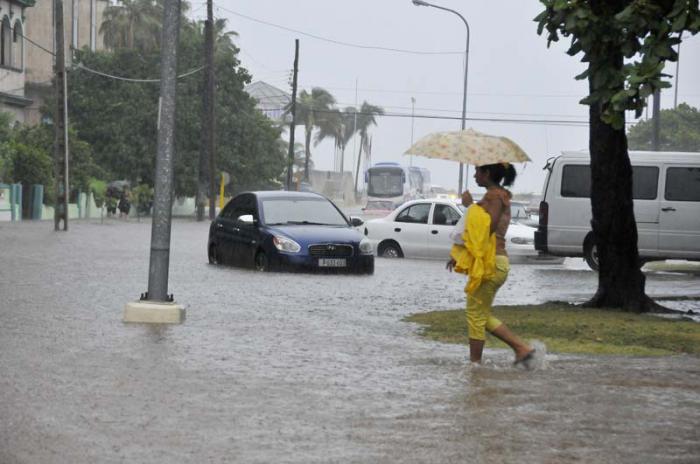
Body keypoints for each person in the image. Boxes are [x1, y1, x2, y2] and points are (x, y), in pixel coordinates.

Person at [447, 163, 535, 366]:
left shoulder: (494, 197)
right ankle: (520, 349)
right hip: (496, 261)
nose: (475, 175)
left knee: (475, 315)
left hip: (493, 263)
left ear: (487, 173)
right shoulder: (498, 195)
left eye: (477, 171)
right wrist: (462, 253)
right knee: (480, 314)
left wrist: (470, 206)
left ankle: (476, 365)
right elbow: (481, 230)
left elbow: (489, 226)